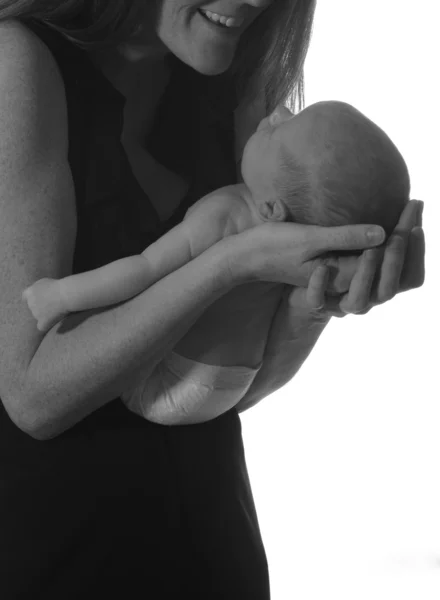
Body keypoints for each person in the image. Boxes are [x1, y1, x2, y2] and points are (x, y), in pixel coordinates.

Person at [0, 1, 424, 599]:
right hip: (60, 558)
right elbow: (32, 396)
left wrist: (316, 302)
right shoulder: (21, 61)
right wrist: (229, 263)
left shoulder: (236, 88)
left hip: (217, 553)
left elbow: (230, 391)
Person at [22, 99, 410, 426]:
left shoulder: (226, 216)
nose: (278, 110)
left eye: (279, 129)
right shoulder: (302, 246)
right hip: (236, 383)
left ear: (272, 208)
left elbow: (141, 270)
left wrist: (61, 294)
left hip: (169, 383)